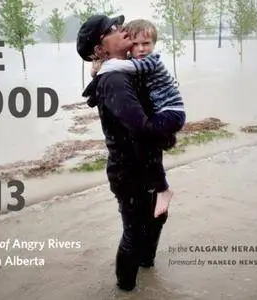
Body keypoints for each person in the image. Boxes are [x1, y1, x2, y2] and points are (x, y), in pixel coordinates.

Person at [76, 14, 174, 292]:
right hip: (130, 169)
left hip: (142, 165)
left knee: (157, 217)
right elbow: (140, 129)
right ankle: (126, 289)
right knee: (134, 231)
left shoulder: (123, 70)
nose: (121, 30)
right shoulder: (115, 80)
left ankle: (147, 267)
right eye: (113, 29)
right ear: (100, 47)